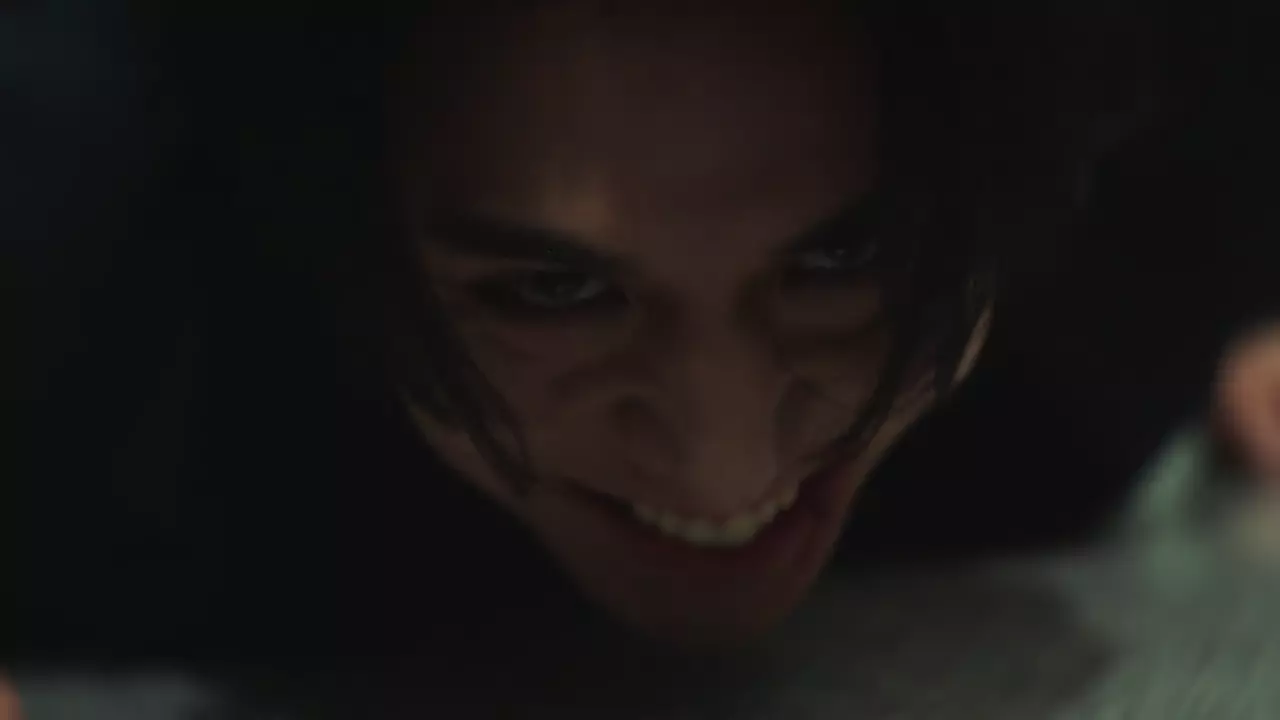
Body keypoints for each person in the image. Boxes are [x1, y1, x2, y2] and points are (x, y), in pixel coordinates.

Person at [7, 0, 1279, 663]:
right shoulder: (82, 258)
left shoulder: (1144, 214)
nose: (724, 468)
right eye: (551, 293)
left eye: (842, 258)